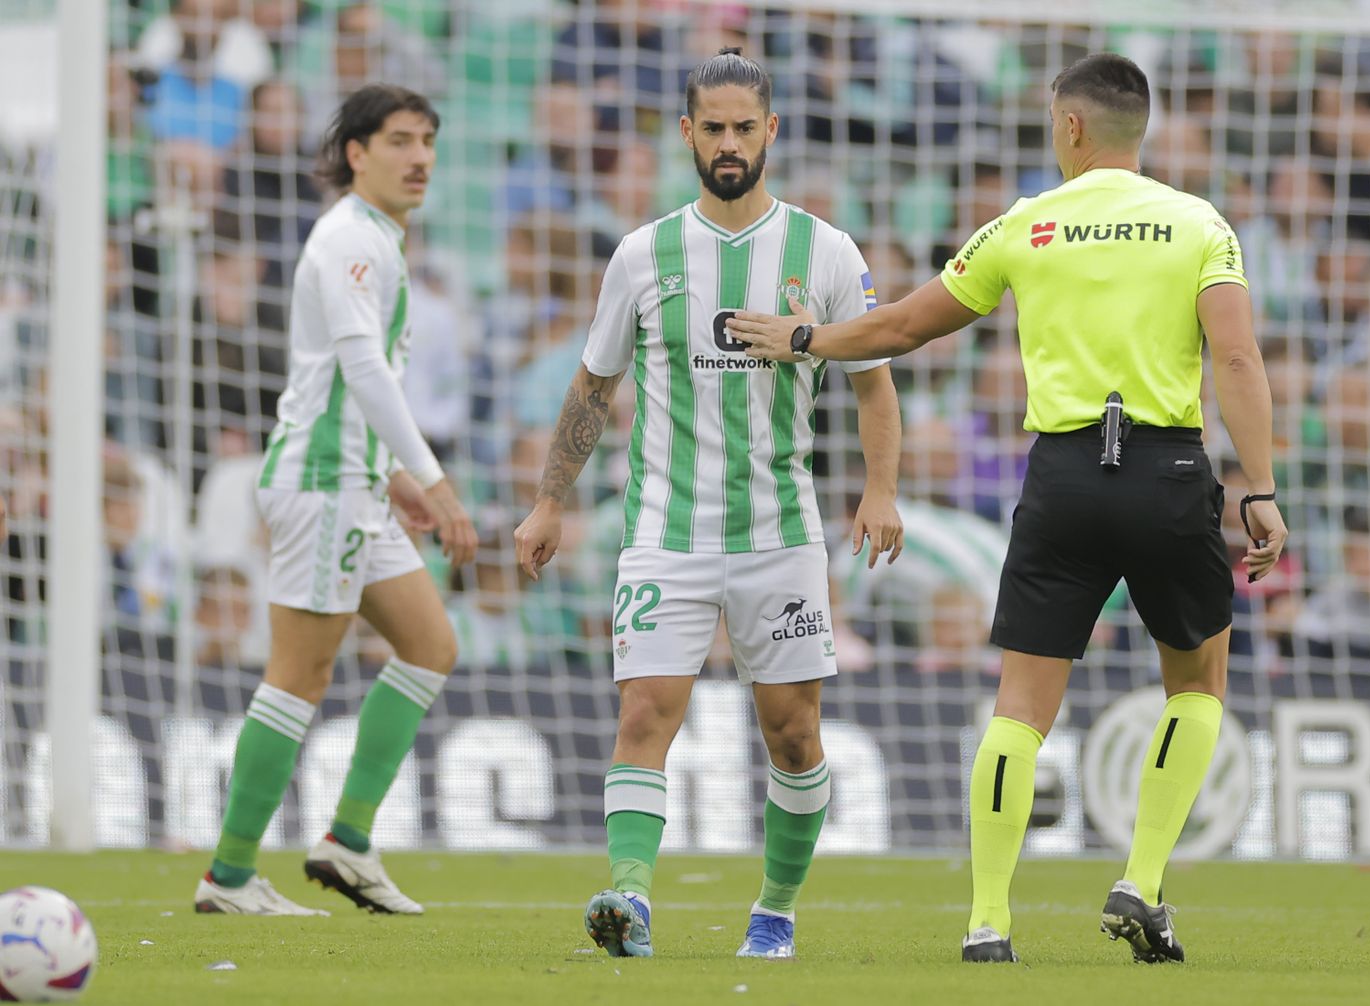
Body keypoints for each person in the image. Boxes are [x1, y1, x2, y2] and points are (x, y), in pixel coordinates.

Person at [729, 53, 1288, 965]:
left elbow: (906, 325)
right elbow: (1236, 360)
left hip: (1064, 475)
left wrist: (805, 339)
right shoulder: (1200, 226)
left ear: (1070, 127)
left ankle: (988, 922)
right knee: (1196, 687)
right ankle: (1140, 883)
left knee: (1022, 706)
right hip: (1168, 471)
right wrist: (1258, 487)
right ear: (1136, 128)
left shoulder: (1027, 225)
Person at [513, 48, 904, 961]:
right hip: (665, 532)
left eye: (744, 128)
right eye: (712, 129)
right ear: (687, 135)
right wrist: (547, 502)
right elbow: (591, 387)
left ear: (772, 131)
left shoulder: (827, 252)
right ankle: (630, 897)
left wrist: (880, 488)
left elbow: (874, 387)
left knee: (794, 735)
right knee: (646, 711)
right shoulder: (642, 254)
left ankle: (774, 911)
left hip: (782, 537)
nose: (729, 144)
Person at [194, 84, 477, 917]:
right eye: (399, 140)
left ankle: (347, 843)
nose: (419, 156)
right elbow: (363, 370)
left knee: (429, 645)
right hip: (321, 488)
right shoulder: (352, 240)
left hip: (353, 480)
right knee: (299, 676)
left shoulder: (377, 240)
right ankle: (231, 874)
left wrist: (388, 471)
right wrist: (431, 476)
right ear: (356, 153)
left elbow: (347, 385)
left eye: (427, 139)